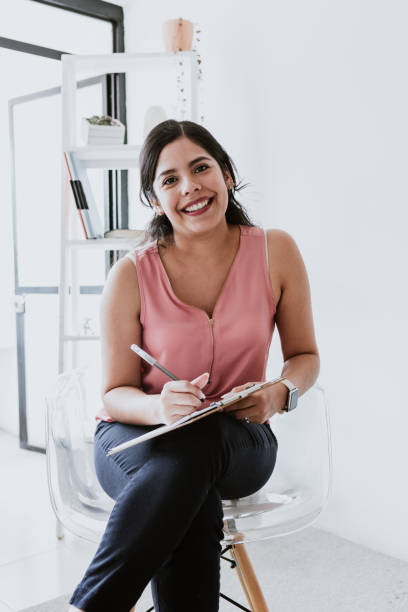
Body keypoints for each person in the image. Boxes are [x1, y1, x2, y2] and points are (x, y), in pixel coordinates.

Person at [68, 120, 320, 612]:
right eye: (169, 179)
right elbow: (114, 393)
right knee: (188, 486)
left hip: (238, 440)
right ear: (153, 199)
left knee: (196, 447)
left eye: (201, 168)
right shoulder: (129, 275)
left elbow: (305, 357)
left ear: (226, 174)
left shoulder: (276, 251)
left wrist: (279, 393)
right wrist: (160, 407)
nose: (190, 187)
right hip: (135, 438)